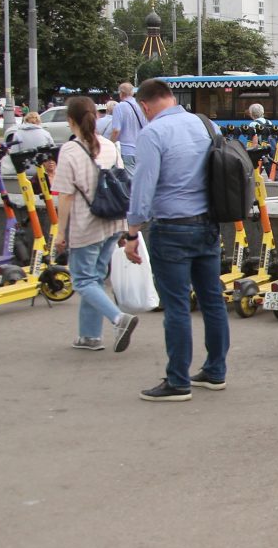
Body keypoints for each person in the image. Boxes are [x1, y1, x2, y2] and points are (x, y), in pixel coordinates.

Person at [124, 78, 230, 402]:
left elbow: (143, 188)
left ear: (145, 106)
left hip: (171, 228)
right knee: (212, 300)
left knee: (177, 305)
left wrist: (132, 232)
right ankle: (215, 371)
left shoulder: (152, 133)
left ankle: (178, 380)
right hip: (208, 225)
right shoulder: (207, 125)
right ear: (172, 97)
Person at [50, 97, 139, 353]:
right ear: (96, 116)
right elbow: (122, 182)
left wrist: (60, 232)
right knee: (96, 278)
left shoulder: (70, 150)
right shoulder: (110, 146)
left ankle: (118, 319)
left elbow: (65, 195)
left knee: (83, 280)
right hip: (112, 221)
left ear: (70, 121)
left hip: (85, 223)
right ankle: (89, 336)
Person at [109, 82, 146, 178]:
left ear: (121, 93)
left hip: (127, 150)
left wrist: (110, 144)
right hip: (142, 148)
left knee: (131, 181)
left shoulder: (119, 107)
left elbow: (116, 130)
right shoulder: (142, 105)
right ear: (132, 93)